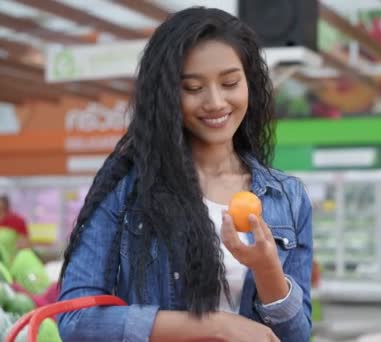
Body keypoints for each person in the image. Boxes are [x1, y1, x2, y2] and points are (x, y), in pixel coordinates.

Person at [58, 7, 312, 342]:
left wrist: (268, 271)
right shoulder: (127, 190)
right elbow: (75, 318)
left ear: (249, 83)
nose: (216, 101)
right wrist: (215, 326)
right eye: (193, 88)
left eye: (230, 83)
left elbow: (296, 336)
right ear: (165, 96)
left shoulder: (287, 197)